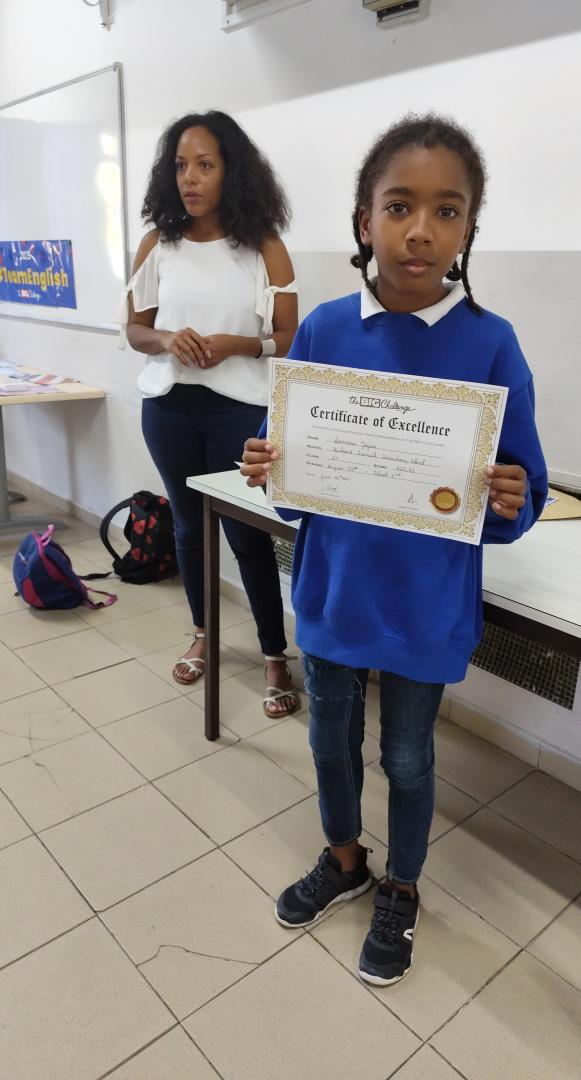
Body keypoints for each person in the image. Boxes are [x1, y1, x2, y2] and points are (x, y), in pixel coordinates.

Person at [241, 114, 548, 985]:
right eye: (399, 206)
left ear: (468, 228)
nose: (421, 230)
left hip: (424, 604)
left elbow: (523, 488)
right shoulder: (324, 329)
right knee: (328, 742)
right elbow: (292, 478)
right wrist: (269, 464)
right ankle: (344, 860)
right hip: (335, 591)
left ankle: (402, 886)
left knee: (407, 757)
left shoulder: (490, 341)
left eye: (447, 211)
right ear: (364, 218)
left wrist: (512, 497)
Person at [121, 111, 299, 716]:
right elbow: (135, 331)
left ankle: (273, 654)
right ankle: (203, 634)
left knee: (248, 536)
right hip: (169, 409)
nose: (189, 179)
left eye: (204, 165)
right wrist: (167, 339)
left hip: (239, 414)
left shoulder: (264, 247)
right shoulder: (157, 245)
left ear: (232, 172)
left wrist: (235, 345)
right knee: (189, 530)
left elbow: (288, 338)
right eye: (180, 166)